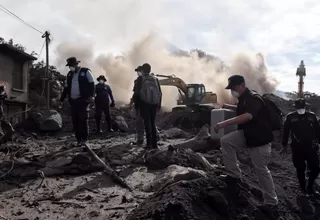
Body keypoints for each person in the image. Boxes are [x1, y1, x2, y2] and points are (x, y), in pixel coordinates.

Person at [214, 75, 278, 206]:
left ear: (242, 85)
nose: (232, 91)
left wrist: (223, 124)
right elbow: (240, 110)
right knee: (226, 141)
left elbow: (247, 116)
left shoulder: (254, 98)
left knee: (261, 169)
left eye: (234, 87)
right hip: (248, 135)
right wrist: (224, 105)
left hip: (260, 139)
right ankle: (234, 175)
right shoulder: (243, 99)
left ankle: (272, 202)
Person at [281, 98, 320, 195]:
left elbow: (317, 131)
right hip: (297, 147)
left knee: (316, 168)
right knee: (300, 168)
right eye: (299, 107)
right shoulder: (290, 117)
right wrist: (284, 145)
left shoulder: (312, 116)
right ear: (295, 107)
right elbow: (286, 132)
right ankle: (303, 189)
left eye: (302, 106)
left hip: (310, 146)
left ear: (305, 107)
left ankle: (310, 186)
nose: (301, 108)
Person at [59, 57, 95, 146]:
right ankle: (79, 140)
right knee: (75, 121)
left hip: (83, 100)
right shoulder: (69, 74)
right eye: (69, 66)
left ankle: (85, 139)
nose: (70, 67)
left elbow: (92, 84)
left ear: (76, 64)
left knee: (83, 120)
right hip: (73, 101)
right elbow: (66, 88)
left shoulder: (86, 72)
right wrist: (61, 99)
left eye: (71, 65)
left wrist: (91, 96)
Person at [132, 63, 162, 149]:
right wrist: (159, 104)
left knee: (146, 124)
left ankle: (149, 144)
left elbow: (136, 94)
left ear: (142, 70)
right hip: (154, 104)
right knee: (152, 123)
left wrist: (137, 106)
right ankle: (154, 144)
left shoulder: (140, 79)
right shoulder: (155, 79)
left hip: (144, 104)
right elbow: (160, 93)